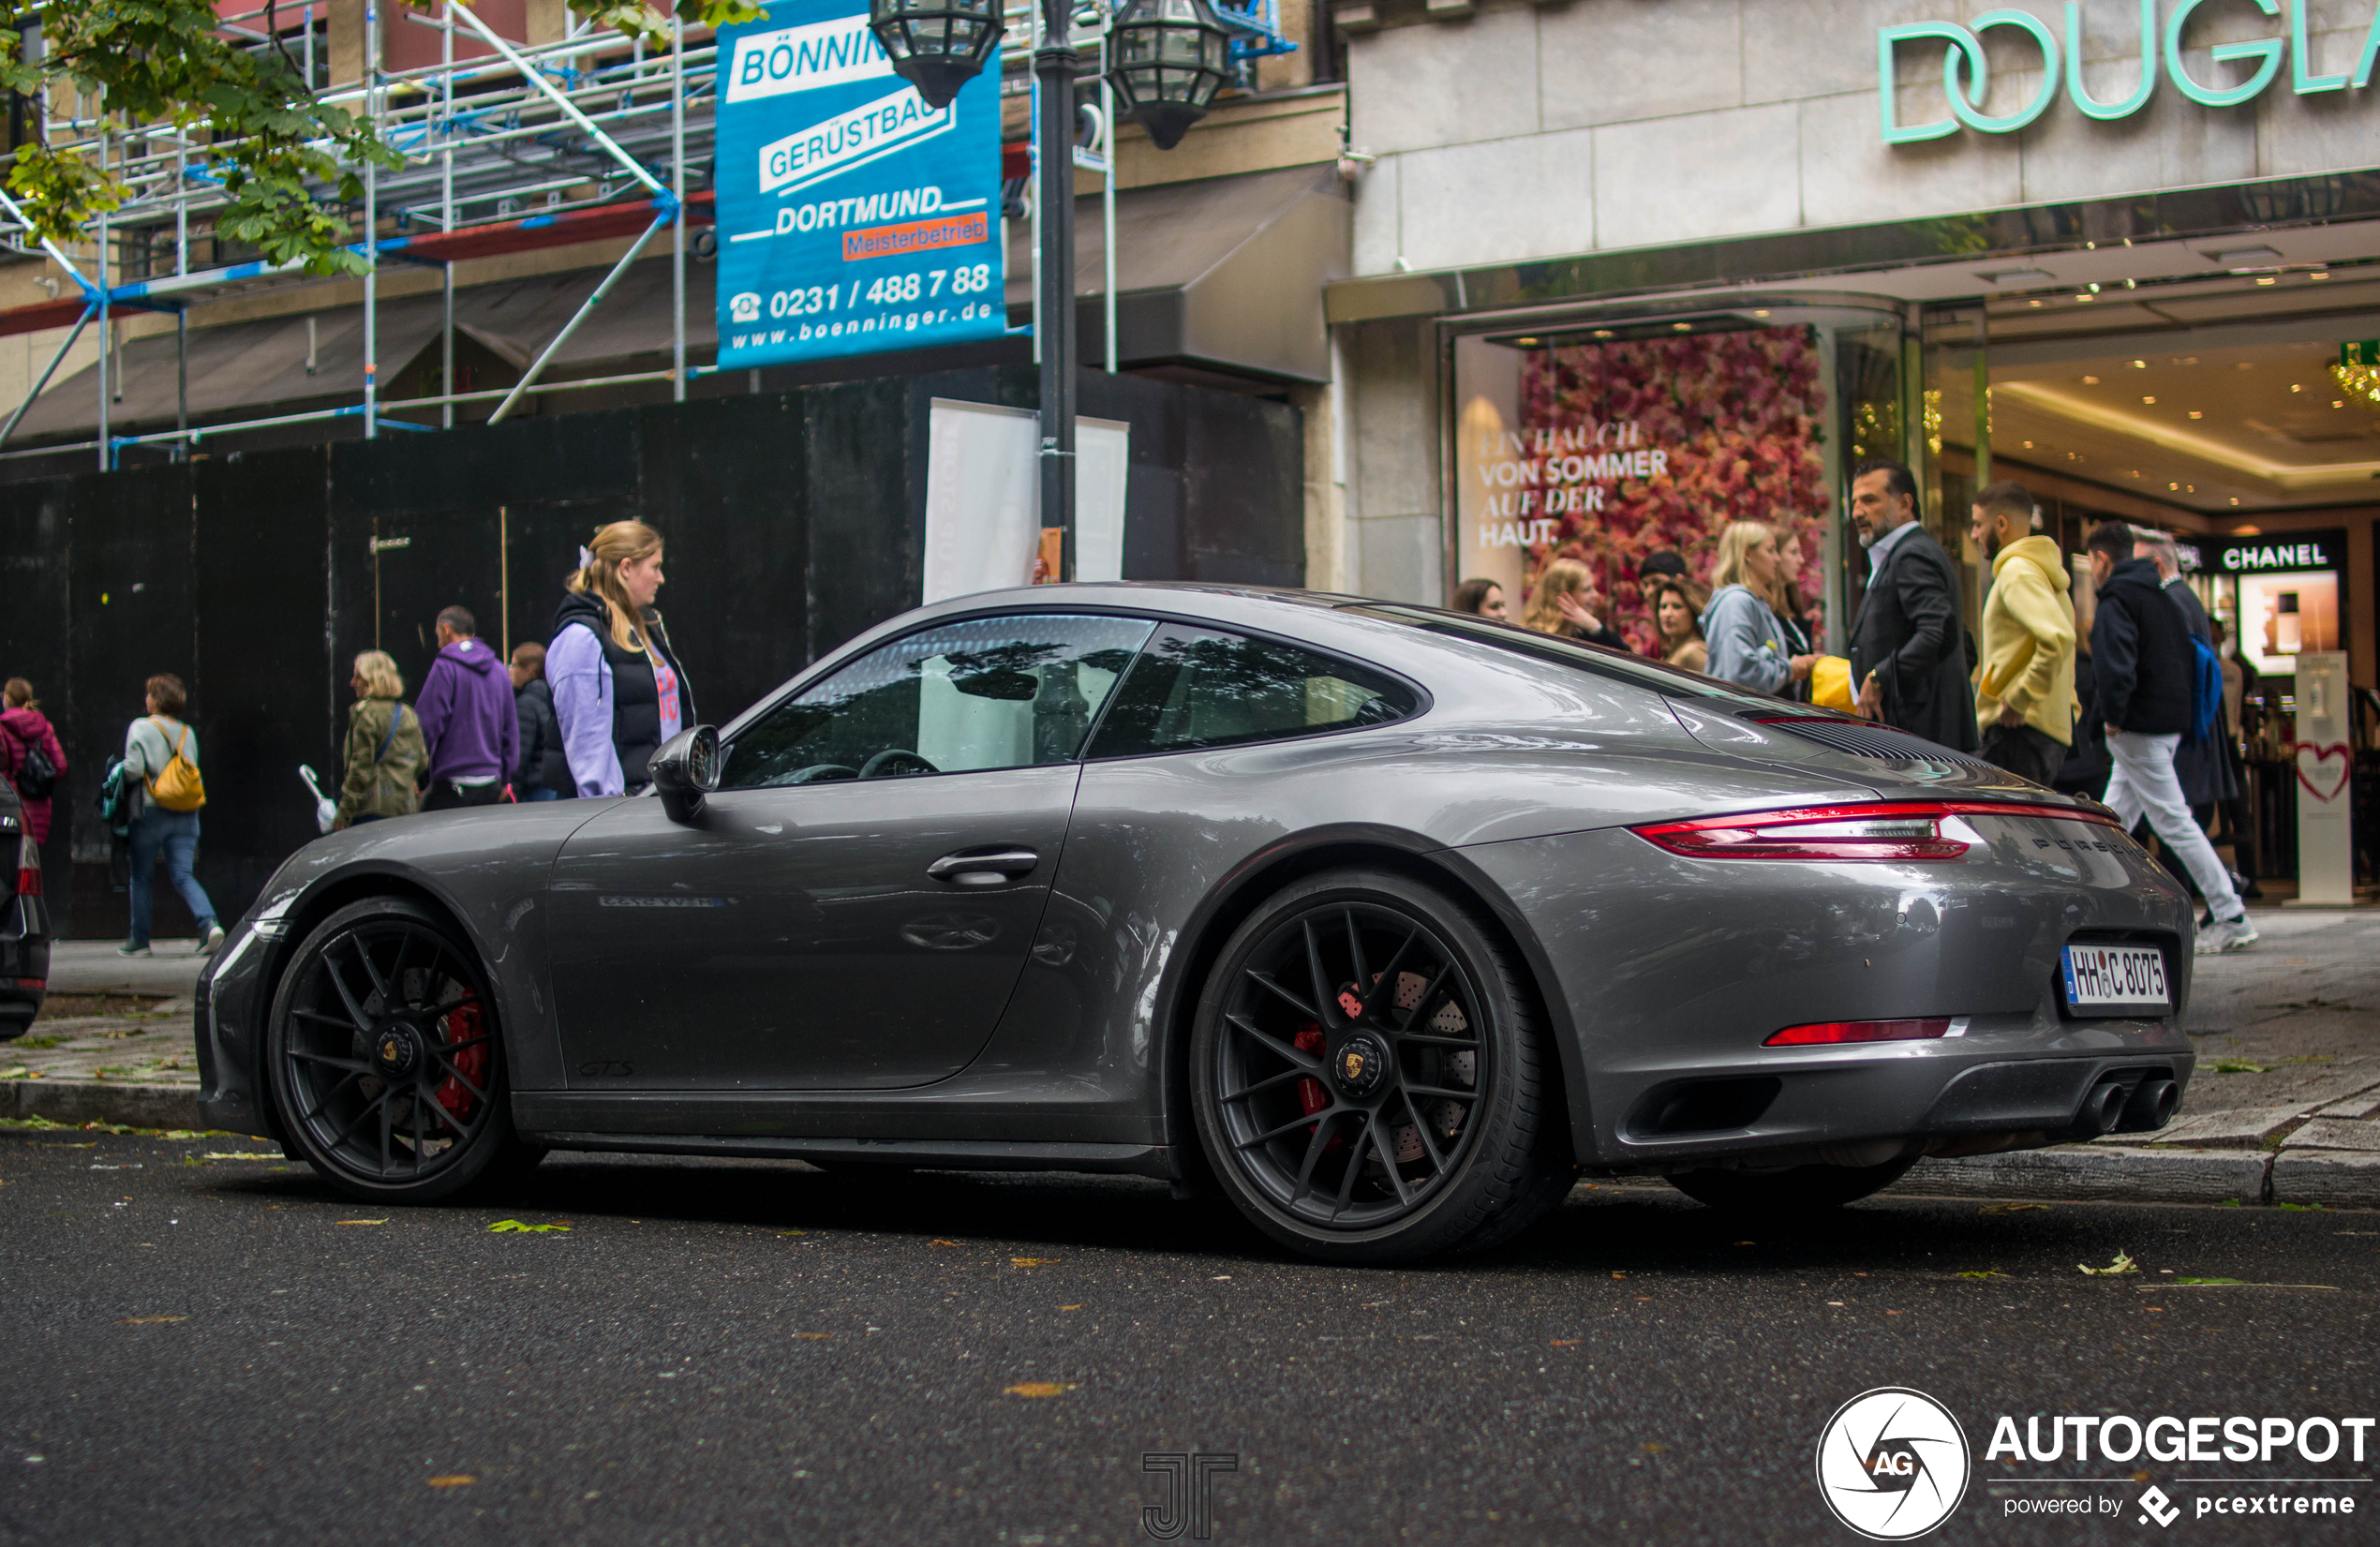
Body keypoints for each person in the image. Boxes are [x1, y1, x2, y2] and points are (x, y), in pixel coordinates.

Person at [2085, 522, 2256, 954]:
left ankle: (2230, 912)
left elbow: (2115, 669)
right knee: (2111, 819)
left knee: (2172, 822)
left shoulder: (2115, 602)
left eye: (2090, 560)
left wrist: (2112, 719)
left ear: (2101, 559)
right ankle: (2093, 907)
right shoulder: (2162, 596)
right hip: (2166, 726)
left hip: (2137, 729)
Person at [550, 520, 696, 797]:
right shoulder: (580, 636)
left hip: (657, 798)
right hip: (620, 812)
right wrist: (611, 811)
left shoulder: (647, 627)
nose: (661, 578)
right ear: (626, 568)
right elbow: (586, 744)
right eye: (655, 567)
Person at [1847, 458, 1977, 751]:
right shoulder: (1911, 552)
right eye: (1854, 502)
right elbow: (1964, 644)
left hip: (1919, 742)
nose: (1856, 512)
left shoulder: (1912, 555)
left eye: (1869, 500)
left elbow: (1936, 634)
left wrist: (1880, 677)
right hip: (1922, 736)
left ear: (1905, 504)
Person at [1969, 480, 2076, 785]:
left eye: (1978, 524)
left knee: (1999, 829)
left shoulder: (2017, 571)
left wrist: (2020, 697)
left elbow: (2057, 638)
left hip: (2017, 731)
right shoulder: (2040, 572)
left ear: (2001, 524)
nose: (1974, 534)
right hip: (2036, 729)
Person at [2135, 531, 2239, 813]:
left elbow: (2175, 673)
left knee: (2179, 824)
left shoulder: (2172, 601)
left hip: (2184, 731)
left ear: (2156, 565)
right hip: (2198, 725)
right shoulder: (2186, 596)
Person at [119, 673, 219, 958]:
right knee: (184, 875)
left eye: (149, 694)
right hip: (187, 814)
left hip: (151, 811)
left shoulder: (141, 727)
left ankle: (139, 941)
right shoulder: (188, 733)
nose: (146, 699)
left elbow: (134, 769)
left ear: (157, 699)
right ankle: (209, 924)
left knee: (141, 876)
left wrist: (118, 774)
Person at [414, 604, 519, 812]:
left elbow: (426, 724)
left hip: (450, 784)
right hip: (491, 784)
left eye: (437, 635)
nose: (438, 642)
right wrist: (506, 779)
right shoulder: (499, 669)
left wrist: (417, 774)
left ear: (445, 630)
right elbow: (511, 731)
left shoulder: (445, 666)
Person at [1699, 521, 1816, 693]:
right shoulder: (1736, 603)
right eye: (1770, 550)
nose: (1777, 558)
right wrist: (1791, 668)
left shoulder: (1752, 603)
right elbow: (1740, 675)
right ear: (1747, 554)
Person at [334, 650, 424, 828]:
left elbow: (360, 769)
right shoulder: (408, 713)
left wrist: (344, 812)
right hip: (405, 809)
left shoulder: (366, 714)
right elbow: (422, 760)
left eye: (357, 677)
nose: (353, 683)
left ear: (371, 679)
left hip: (373, 811)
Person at [0, 678, 66, 849]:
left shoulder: (2, 727)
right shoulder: (44, 727)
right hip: (40, 808)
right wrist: (38, 785)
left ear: (7, 698)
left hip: (10, 808)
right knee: (31, 866)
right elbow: (60, 765)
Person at [510, 642, 572, 801]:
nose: (510, 670)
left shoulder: (526, 704)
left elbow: (520, 751)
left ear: (528, 669)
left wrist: (513, 788)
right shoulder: (553, 696)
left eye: (514, 665)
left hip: (533, 789)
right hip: (553, 782)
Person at [1521, 558, 1627, 649]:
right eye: (1586, 590)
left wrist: (1596, 628)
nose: (1595, 595)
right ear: (1563, 595)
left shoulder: (1586, 633)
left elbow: (1626, 659)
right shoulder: (1537, 637)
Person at [1651, 578, 1709, 673]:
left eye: (1677, 606)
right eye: (1663, 607)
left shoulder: (1693, 652)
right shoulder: (1673, 651)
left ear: (1693, 611)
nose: (1667, 614)